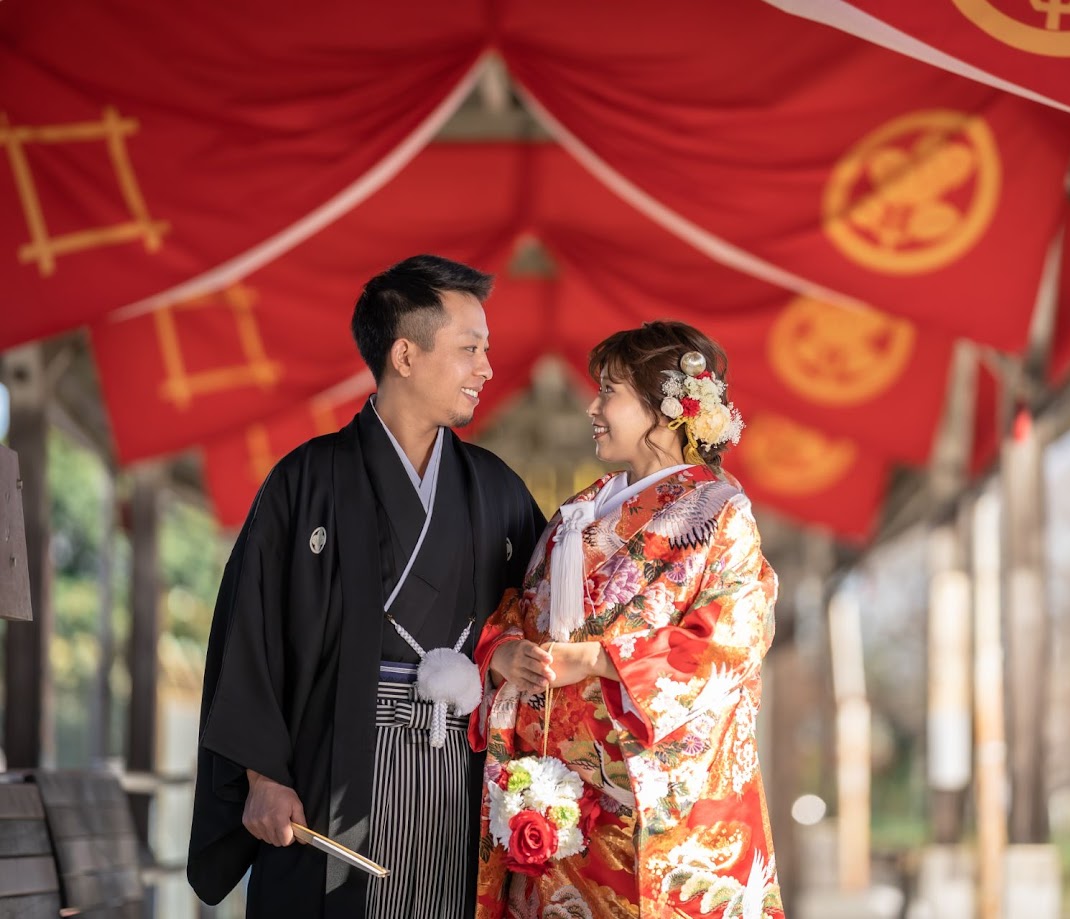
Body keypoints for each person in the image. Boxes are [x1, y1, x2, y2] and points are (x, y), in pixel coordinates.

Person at [188, 254, 547, 919]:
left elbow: (547, 618)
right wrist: (262, 775)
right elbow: (250, 630)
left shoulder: (496, 490)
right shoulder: (307, 480)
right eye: (469, 349)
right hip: (331, 764)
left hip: (460, 770)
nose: (486, 369)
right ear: (404, 355)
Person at [469, 320, 785, 918]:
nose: (591, 406)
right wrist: (503, 650)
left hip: (652, 798)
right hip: (556, 793)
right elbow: (521, 609)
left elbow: (733, 637)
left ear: (663, 410)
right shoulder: (579, 512)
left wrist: (598, 658)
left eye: (609, 391)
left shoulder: (720, 513)